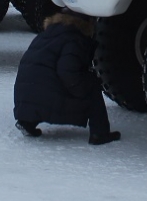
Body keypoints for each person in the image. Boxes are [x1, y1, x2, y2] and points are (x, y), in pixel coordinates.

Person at [13, 9, 121, 145]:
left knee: (42, 87)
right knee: (91, 83)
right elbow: (68, 72)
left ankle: (27, 122)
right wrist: (82, 92)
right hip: (47, 93)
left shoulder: (46, 35)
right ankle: (99, 133)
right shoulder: (74, 38)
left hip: (25, 97)